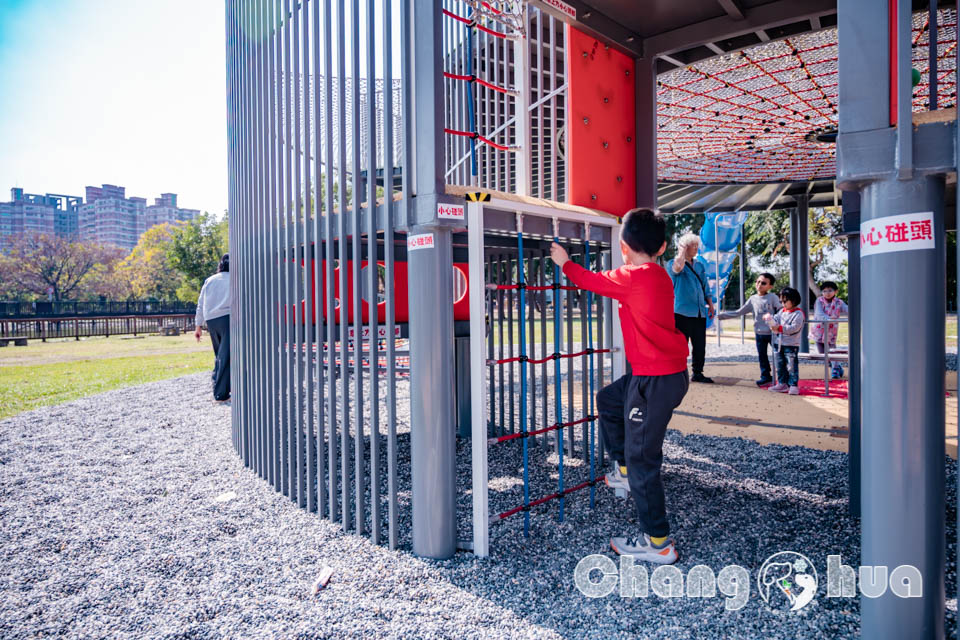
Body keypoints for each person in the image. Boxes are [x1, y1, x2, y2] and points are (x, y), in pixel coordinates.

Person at [550, 208, 689, 565]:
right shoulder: (659, 276)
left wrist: (565, 262)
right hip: (663, 374)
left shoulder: (632, 276)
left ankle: (658, 543)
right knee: (609, 400)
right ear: (662, 248)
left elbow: (590, 281)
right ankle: (624, 471)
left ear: (623, 247)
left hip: (652, 380)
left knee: (644, 457)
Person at [717, 272, 781, 386]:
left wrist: (776, 322)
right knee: (762, 356)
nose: (759, 284)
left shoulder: (773, 297)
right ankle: (765, 376)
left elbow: (780, 310)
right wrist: (722, 316)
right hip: (759, 333)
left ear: (770, 286)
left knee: (778, 355)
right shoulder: (753, 299)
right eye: (758, 281)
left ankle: (782, 377)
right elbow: (739, 312)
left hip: (773, 333)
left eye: (764, 283)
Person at [669, 233, 715, 383]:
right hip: (681, 312)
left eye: (697, 245)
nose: (696, 248)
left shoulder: (700, 265)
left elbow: (705, 286)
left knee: (700, 345)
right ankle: (677, 373)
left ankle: (698, 372)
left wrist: (710, 304)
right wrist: (681, 252)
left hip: (699, 312)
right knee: (680, 346)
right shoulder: (673, 263)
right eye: (692, 246)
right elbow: (677, 269)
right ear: (684, 247)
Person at [195, 254, 231, 402]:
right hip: (228, 318)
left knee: (220, 355)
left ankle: (217, 383)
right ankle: (220, 394)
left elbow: (200, 303)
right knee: (226, 356)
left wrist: (198, 325)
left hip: (211, 321)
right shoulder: (236, 278)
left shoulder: (209, 280)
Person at [763, 287, 805, 396]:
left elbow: (794, 328)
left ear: (794, 300)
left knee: (791, 366)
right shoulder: (782, 311)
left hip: (791, 344)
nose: (783, 303)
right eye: (781, 301)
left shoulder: (798, 314)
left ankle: (793, 385)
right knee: (779, 365)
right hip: (779, 343)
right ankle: (782, 383)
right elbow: (775, 319)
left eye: (785, 301)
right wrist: (769, 320)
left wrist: (779, 328)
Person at [810, 281, 848, 379]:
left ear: (835, 291)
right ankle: (835, 366)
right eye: (824, 291)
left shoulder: (839, 302)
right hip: (819, 329)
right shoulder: (819, 301)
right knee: (822, 353)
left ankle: (835, 369)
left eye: (830, 291)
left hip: (831, 330)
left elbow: (847, 309)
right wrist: (829, 319)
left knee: (832, 350)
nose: (827, 293)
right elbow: (819, 313)